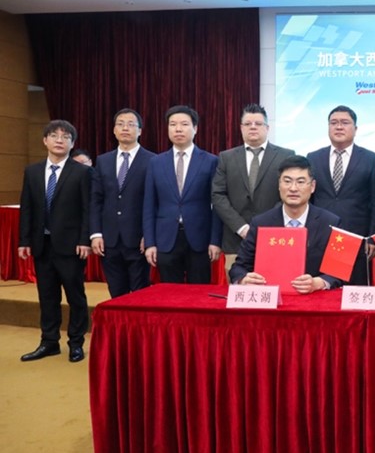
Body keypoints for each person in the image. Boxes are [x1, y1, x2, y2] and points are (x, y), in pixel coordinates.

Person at [18, 120, 92, 363]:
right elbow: (27, 208)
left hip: (72, 246)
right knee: (47, 296)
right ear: (45, 140)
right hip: (42, 245)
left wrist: (85, 240)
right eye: (54, 135)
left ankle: (76, 342)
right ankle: (49, 342)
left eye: (65, 136)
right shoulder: (32, 171)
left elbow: (87, 209)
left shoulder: (82, 172)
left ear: (72, 143)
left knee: (75, 296)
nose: (59, 140)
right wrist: (24, 240)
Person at [229, 155, 341, 293]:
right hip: (271, 303)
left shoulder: (330, 223)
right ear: (279, 185)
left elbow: (340, 271)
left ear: (312, 186)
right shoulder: (261, 223)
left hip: (313, 303)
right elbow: (238, 267)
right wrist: (244, 279)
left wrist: (318, 282)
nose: (293, 188)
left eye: (300, 182)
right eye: (287, 181)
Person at [212, 103, 295, 277]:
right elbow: (218, 195)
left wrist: (265, 226)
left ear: (267, 127)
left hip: (275, 236)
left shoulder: (286, 155)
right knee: (239, 291)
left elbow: (290, 194)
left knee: (275, 287)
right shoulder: (226, 157)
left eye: (258, 124)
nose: (253, 127)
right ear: (241, 128)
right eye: (248, 124)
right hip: (236, 239)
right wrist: (241, 227)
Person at [143, 105, 222, 283]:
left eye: (184, 124)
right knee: (169, 295)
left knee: (199, 295)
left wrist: (215, 240)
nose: (178, 129)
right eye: (173, 124)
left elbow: (217, 204)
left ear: (195, 128)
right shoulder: (156, 162)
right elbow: (149, 205)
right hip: (166, 238)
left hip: (200, 239)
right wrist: (150, 243)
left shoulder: (210, 161)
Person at [307, 105, 375, 285]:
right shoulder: (313, 157)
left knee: (353, 291)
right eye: (334, 123)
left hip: (356, 238)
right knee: (321, 288)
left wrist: (373, 237)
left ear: (355, 129)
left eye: (345, 123)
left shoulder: (371, 159)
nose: (339, 127)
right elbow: (309, 200)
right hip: (320, 236)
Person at [90, 108, 156, 297]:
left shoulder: (153, 160)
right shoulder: (103, 160)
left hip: (138, 240)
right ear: (114, 130)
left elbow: (154, 202)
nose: (125, 128)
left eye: (131, 124)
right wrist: (95, 233)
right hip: (109, 240)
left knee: (140, 293)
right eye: (120, 124)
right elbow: (96, 199)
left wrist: (149, 235)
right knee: (116, 292)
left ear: (140, 131)